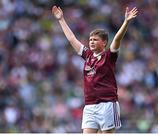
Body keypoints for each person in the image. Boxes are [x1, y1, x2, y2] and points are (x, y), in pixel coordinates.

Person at [52, 5, 138, 133]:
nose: (91, 42)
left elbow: (117, 39)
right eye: (90, 39)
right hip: (90, 106)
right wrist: (61, 19)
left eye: (95, 40)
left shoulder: (109, 56)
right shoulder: (87, 56)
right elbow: (71, 39)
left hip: (107, 104)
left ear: (104, 43)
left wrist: (125, 22)